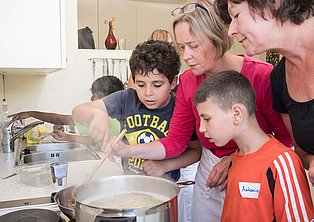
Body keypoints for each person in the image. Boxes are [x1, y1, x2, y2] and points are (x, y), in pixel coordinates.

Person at [76, 1, 293, 221]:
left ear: (217, 38)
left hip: (255, 166)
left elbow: (283, 139)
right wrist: (125, 150)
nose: (186, 56)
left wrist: (234, 160)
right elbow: (176, 142)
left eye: (194, 45)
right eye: (181, 47)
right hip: (210, 170)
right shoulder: (189, 82)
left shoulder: (262, 76)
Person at [214, 0, 314, 186]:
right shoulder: (278, 78)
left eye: (236, 15)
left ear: (272, 3)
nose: (231, 31)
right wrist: (311, 161)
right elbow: (301, 149)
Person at [72, 40, 201, 182]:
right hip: (130, 180)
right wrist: (98, 113)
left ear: (173, 82)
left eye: (157, 85)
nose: (148, 93)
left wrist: (165, 166)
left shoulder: (180, 108)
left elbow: (196, 151)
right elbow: (77, 111)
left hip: (165, 185)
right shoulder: (126, 99)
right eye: (140, 84)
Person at [194, 70, 314, 221]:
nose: (201, 128)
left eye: (207, 118)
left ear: (236, 114)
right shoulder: (234, 161)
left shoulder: (282, 163)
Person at [9, 76, 124, 144]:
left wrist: (30, 113)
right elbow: (93, 141)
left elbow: (59, 119)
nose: (91, 98)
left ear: (106, 98)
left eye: (94, 95)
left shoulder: (110, 119)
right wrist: (66, 137)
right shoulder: (99, 116)